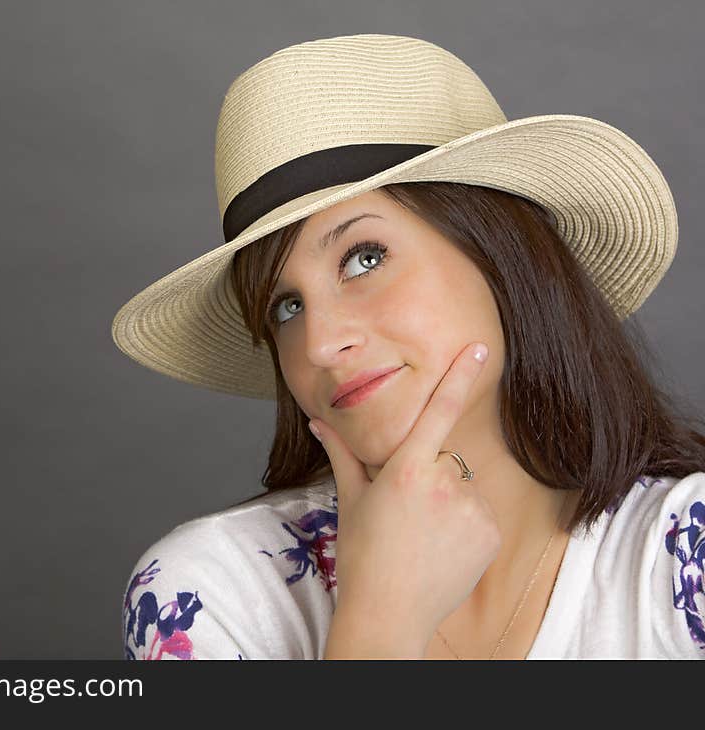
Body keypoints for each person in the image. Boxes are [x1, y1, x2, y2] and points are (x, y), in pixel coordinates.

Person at [113, 34, 705, 659]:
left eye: (364, 258)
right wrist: (381, 619)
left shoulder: (679, 566)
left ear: (504, 258)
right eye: (286, 307)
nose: (319, 344)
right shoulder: (209, 595)